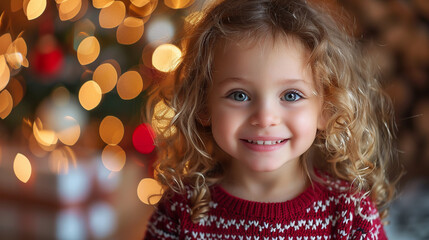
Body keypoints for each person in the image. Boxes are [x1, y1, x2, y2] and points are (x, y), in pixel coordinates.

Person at [144, 0, 399, 239]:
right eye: (239, 95)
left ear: (327, 109)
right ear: (202, 105)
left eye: (291, 95)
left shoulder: (351, 213)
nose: (265, 118)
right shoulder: (180, 209)